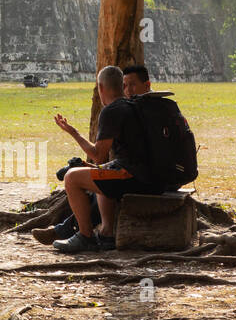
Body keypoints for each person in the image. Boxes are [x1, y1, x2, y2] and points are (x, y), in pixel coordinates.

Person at [49, 64, 166, 253]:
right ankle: (106, 235)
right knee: (101, 173)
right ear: (122, 86)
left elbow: (97, 155)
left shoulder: (112, 111)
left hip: (136, 177)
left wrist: (73, 133)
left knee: (72, 177)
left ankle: (85, 237)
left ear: (101, 88)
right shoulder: (133, 105)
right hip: (150, 175)